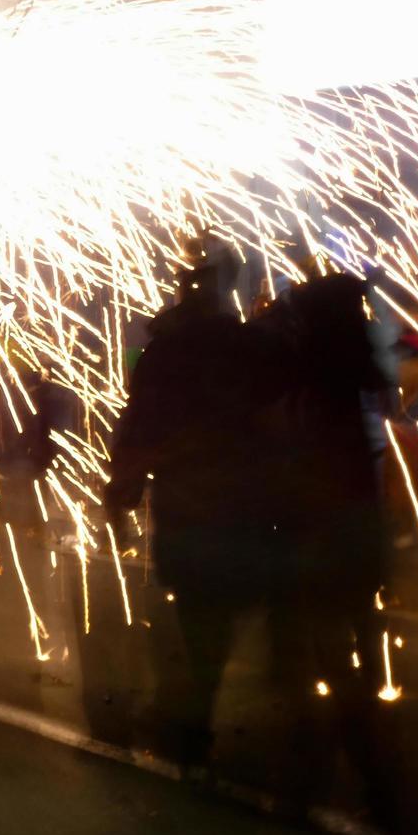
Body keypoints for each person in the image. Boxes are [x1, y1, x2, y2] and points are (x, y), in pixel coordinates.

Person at [105, 248, 281, 779]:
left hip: (188, 499)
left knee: (196, 606)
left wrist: (123, 490)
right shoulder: (249, 346)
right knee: (213, 606)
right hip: (237, 498)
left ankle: (191, 716)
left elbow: (141, 422)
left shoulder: (171, 349)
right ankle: (194, 708)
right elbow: (272, 422)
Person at [258, 270, 400, 825]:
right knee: (353, 658)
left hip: (316, 540)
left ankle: (309, 783)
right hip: (358, 539)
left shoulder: (307, 376)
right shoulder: (355, 369)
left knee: (312, 663)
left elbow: (284, 461)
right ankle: (376, 781)